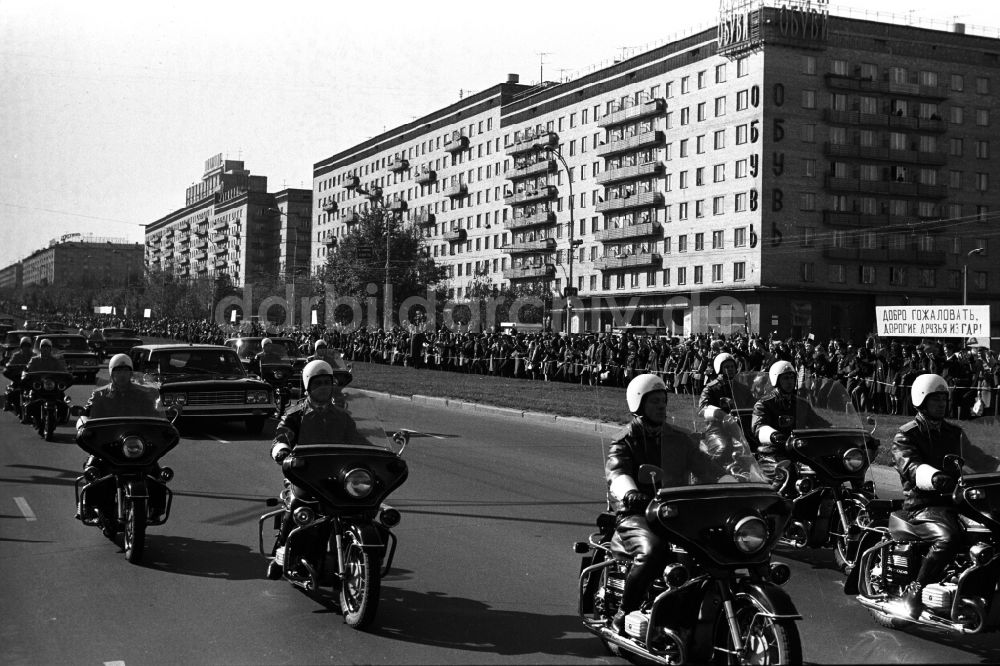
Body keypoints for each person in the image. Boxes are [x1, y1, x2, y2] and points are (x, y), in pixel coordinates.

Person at [605, 374, 729, 635]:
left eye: (664, 401)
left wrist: (731, 480)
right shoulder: (626, 439)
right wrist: (630, 493)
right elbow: (617, 472)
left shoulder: (679, 438)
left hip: (676, 511)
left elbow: (705, 466)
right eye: (655, 402)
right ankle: (624, 612)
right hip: (637, 514)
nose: (662, 406)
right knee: (654, 550)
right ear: (639, 404)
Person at [891, 373, 1000, 619]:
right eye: (935, 399)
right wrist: (932, 477)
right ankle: (915, 590)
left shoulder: (954, 432)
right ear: (921, 401)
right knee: (950, 537)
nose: (941, 404)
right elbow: (909, 464)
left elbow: (978, 458)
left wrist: (997, 465)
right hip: (923, 504)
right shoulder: (906, 434)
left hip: (958, 499)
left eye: (943, 399)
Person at [266, 359, 367, 579]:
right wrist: (282, 449)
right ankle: (279, 553)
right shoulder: (296, 414)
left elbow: (357, 439)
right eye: (317, 383)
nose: (323, 387)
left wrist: (374, 452)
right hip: (305, 475)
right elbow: (282, 435)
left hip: (337, 476)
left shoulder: (342, 416)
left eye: (327, 382)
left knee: (361, 505)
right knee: (297, 505)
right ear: (308, 386)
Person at [75, 354, 165, 523]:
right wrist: (83, 420)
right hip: (108, 445)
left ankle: (157, 508)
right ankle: (86, 506)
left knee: (156, 473)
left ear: (131, 374)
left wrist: (161, 417)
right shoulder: (100, 395)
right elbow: (87, 413)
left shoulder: (143, 394)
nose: (122, 375)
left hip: (135, 444)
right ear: (111, 374)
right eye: (118, 371)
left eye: (126, 371)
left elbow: (155, 414)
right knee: (92, 469)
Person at [751, 360, 831, 484]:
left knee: (827, 467)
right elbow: (758, 427)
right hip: (772, 453)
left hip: (799, 451)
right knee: (787, 473)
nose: (790, 381)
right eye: (785, 378)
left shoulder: (801, 403)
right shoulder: (764, 404)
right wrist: (774, 436)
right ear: (776, 380)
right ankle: (781, 501)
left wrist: (836, 429)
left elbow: (818, 422)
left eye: (792, 377)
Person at [699, 352, 756, 465]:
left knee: (758, 449)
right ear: (719, 368)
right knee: (723, 450)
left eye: (732, 366)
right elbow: (702, 409)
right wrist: (719, 413)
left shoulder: (743, 388)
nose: (730, 369)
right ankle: (716, 474)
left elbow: (754, 406)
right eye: (726, 367)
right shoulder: (711, 388)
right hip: (717, 428)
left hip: (743, 428)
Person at [3, 337, 34, 422]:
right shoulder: (16, 355)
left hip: (30, 378)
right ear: (21, 346)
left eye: (27, 346)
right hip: (18, 377)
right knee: (12, 391)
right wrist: (11, 366)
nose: (26, 348)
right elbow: (9, 364)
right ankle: (9, 403)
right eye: (24, 346)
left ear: (30, 346)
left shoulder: (34, 356)